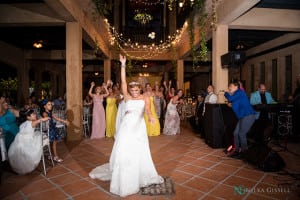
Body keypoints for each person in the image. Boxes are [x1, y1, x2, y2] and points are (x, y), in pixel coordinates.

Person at [89, 55, 163, 197]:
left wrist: (152, 117)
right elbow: (123, 81)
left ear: (140, 89)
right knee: (123, 149)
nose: (134, 92)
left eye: (136, 90)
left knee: (139, 150)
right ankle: (123, 176)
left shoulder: (145, 98)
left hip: (139, 127)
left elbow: (148, 110)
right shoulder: (127, 97)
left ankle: (138, 174)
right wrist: (123, 65)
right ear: (130, 90)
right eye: (132, 90)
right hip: (127, 126)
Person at [8, 109, 49, 175]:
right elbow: (40, 120)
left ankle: (21, 165)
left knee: (20, 153)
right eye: (33, 114)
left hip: (19, 141)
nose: (35, 115)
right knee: (42, 137)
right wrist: (46, 117)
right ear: (28, 117)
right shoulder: (32, 122)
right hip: (28, 141)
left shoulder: (23, 123)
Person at [224, 82, 256, 158]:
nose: (229, 88)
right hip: (242, 117)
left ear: (236, 87)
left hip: (248, 115)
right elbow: (237, 105)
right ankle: (237, 150)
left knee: (241, 134)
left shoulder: (240, 92)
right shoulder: (236, 96)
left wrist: (226, 93)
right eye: (228, 87)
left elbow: (230, 98)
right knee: (235, 133)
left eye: (230, 86)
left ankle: (244, 152)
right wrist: (231, 105)